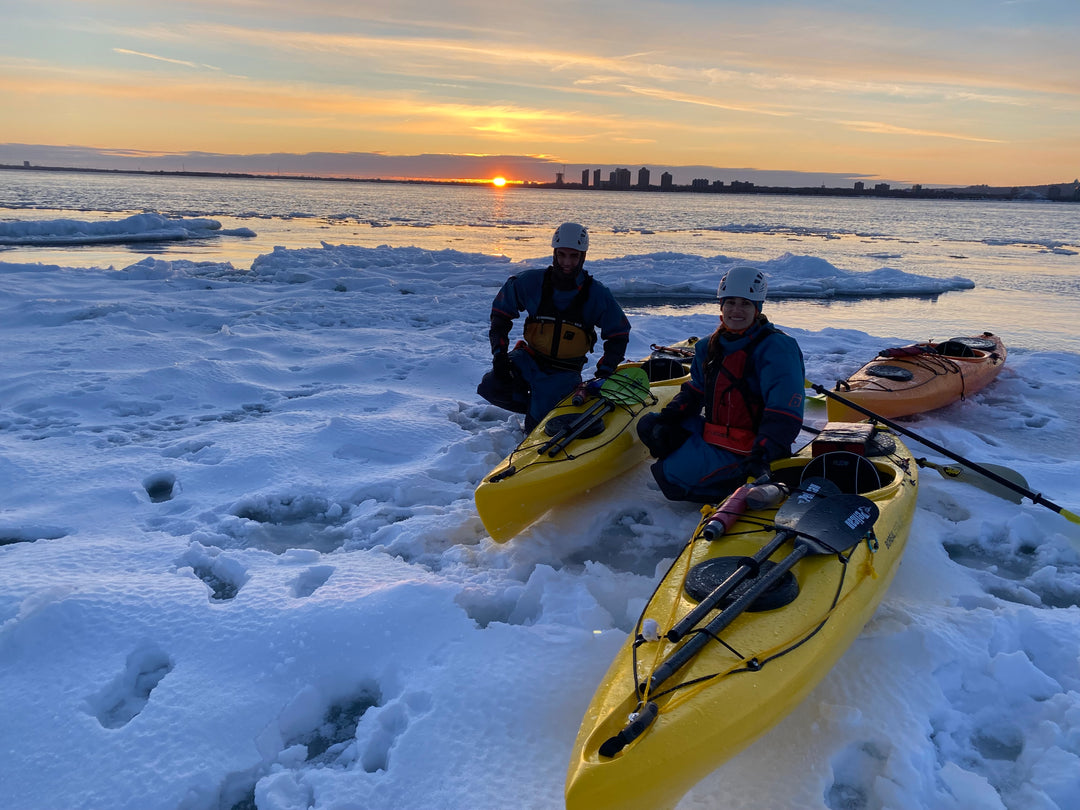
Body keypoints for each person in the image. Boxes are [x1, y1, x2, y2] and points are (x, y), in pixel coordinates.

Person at [636, 266, 805, 503]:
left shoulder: (777, 349)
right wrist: (669, 417)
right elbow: (696, 390)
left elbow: (784, 412)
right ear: (721, 306)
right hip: (716, 434)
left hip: (752, 447)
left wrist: (763, 454)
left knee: (672, 478)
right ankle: (708, 467)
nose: (736, 310)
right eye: (731, 303)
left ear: (757, 309)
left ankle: (736, 480)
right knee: (651, 427)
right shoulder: (709, 346)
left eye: (745, 304)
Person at [477, 223, 632, 431]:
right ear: (554, 253)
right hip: (529, 360)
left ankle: (548, 406)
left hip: (564, 371)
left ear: (583, 256)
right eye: (562, 255)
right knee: (491, 386)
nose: (567, 262)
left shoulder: (596, 294)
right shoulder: (531, 283)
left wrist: (604, 372)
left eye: (574, 256)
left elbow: (618, 335)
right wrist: (500, 356)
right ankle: (538, 403)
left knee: (539, 428)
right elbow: (500, 316)